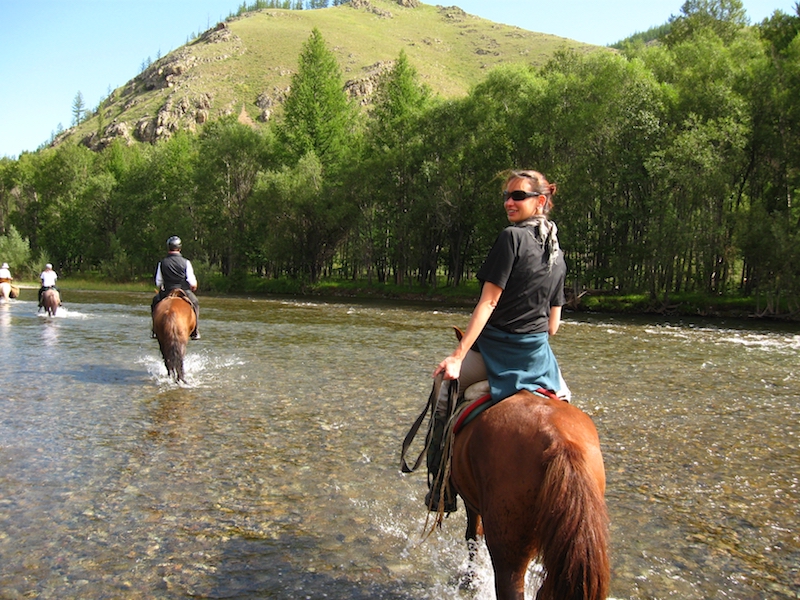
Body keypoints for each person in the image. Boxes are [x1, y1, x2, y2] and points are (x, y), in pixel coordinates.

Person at [425, 169, 570, 513]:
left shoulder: (511, 238)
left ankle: (440, 487)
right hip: (539, 359)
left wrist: (459, 356)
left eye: (518, 196)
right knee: (566, 409)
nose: (509, 202)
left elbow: (488, 303)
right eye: (506, 196)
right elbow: (553, 326)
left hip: (496, 354)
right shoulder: (559, 254)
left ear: (540, 201)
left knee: (442, 388)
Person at [151, 236, 200, 340]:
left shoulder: (162, 263)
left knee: (155, 302)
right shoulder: (186, 262)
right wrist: (193, 286)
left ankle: (155, 330)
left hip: (168, 290)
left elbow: (158, 282)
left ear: (168, 248)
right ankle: (195, 331)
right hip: (184, 291)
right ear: (179, 248)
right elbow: (192, 282)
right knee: (195, 302)